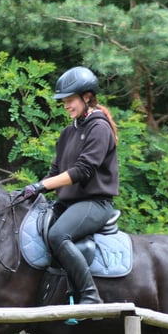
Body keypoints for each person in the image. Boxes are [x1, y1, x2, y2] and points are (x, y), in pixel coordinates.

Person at [20, 66, 119, 306]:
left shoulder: (99, 127)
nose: (66, 106)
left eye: (70, 100)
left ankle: (90, 295)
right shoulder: (67, 133)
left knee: (57, 235)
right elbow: (55, 172)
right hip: (67, 203)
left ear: (87, 97)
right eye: (63, 101)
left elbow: (83, 171)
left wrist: (41, 185)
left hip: (95, 203)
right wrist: (30, 192)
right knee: (34, 228)